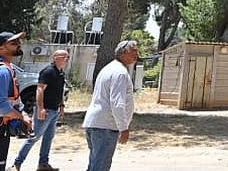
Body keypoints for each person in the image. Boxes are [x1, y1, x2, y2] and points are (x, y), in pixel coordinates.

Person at [82, 40, 139, 171]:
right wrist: (123, 128)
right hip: (105, 127)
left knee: (95, 164)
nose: (137, 54)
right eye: (134, 51)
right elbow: (117, 102)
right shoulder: (120, 73)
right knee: (100, 167)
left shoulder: (109, 68)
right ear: (124, 53)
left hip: (96, 124)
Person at [10, 49, 69, 171]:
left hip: (55, 111)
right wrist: (41, 108)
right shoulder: (48, 72)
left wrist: (62, 105)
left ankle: (43, 164)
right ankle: (16, 164)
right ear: (55, 57)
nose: (66, 59)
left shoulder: (61, 73)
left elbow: (60, 90)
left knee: (48, 138)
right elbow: (39, 90)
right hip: (45, 110)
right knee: (34, 137)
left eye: (67, 57)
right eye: (64, 56)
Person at [0, 32, 31, 171]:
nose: (19, 44)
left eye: (19, 42)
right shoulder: (2, 71)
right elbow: (2, 106)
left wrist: (22, 113)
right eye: (13, 43)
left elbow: (15, 100)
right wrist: (20, 117)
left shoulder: (8, 68)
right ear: (1, 48)